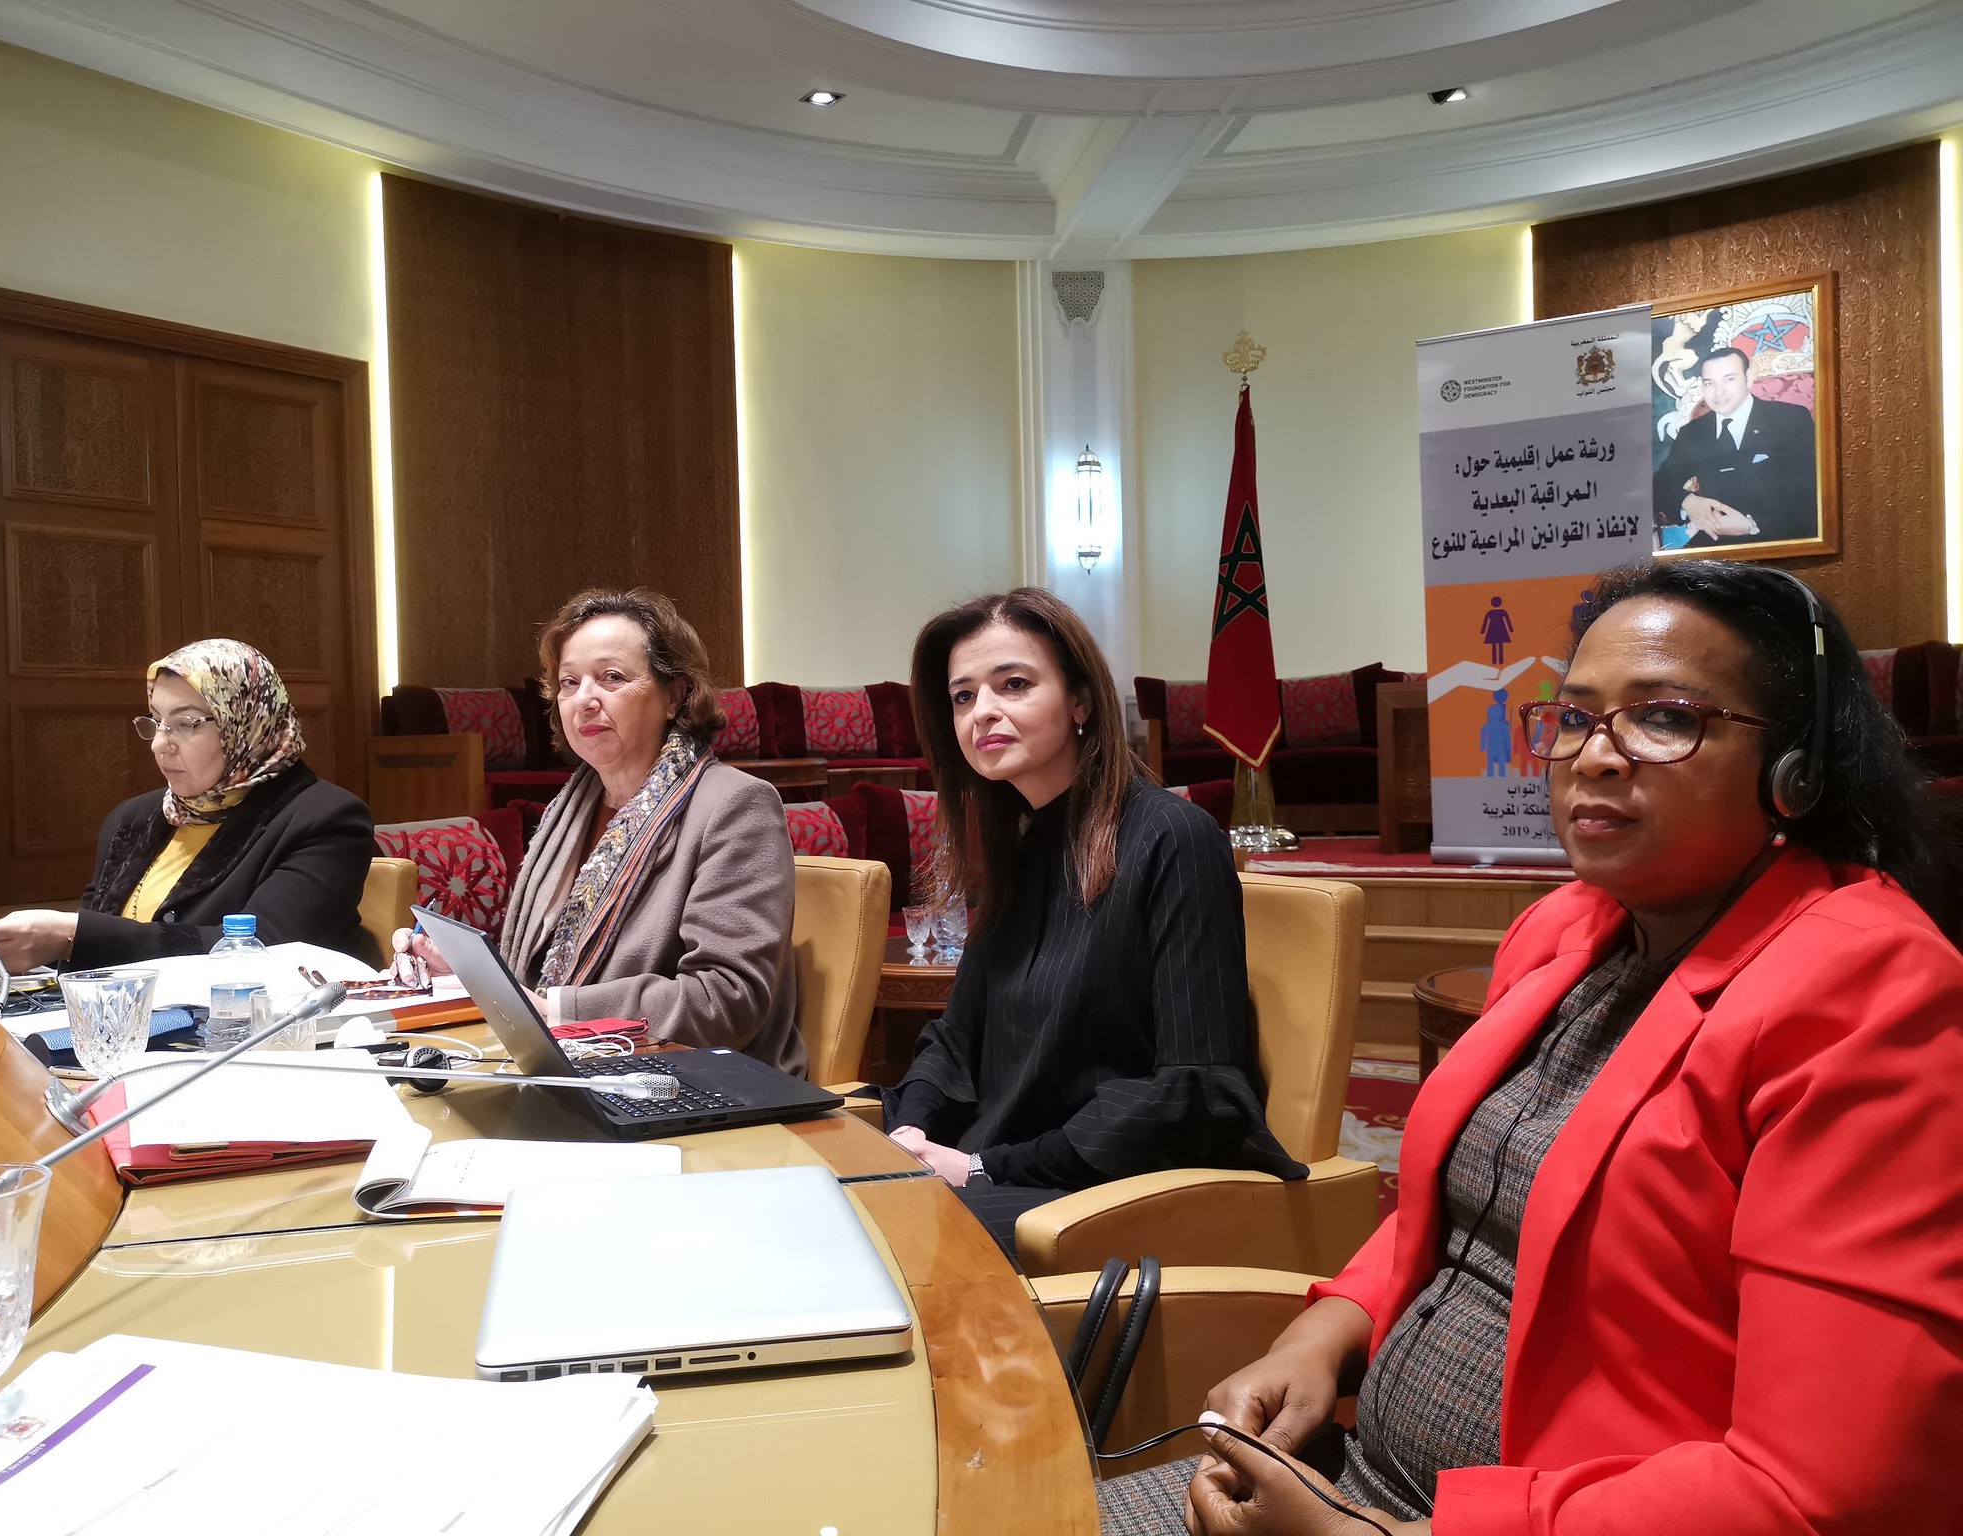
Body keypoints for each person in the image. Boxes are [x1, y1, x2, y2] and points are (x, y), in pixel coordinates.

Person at [1098, 559, 1963, 1535]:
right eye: (1573, 716)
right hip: (1350, 1482)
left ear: (1793, 770)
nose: (1595, 754)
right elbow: (1453, 1201)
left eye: (1663, 718)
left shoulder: (1869, 997)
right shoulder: (1564, 931)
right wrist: (1321, 1334)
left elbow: (1831, 1486)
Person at [882, 588, 1303, 1254]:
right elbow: (955, 1043)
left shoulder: (1174, 838)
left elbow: (1197, 1088)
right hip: (1003, 1170)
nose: (982, 712)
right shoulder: (1022, 847)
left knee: (883, 1249)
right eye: (963, 697)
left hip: (1101, 1189)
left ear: (1080, 701)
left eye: (1013, 685)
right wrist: (910, 1132)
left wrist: (982, 1167)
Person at [394, 587, 803, 1075]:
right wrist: (461, 971)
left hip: (693, 1081)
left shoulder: (736, 805)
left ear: (675, 695)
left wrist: (561, 1012)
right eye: (569, 683)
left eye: (611, 677)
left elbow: (726, 999)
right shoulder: (569, 809)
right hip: (574, 1064)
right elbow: (535, 973)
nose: (584, 699)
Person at [0, 639, 377, 973]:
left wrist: (69, 935)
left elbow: (265, 950)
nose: (161, 745)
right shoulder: (136, 818)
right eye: (156, 722)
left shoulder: (324, 818)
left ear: (247, 724)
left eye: (185, 724)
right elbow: (87, 959)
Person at [1651, 346, 1818, 546]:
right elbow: (1660, 483)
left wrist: (1752, 526)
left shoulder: (1790, 419)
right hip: (1714, 542)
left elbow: (1811, 496)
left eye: (1729, 379)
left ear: (1748, 378)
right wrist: (1687, 502)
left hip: (1781, 538)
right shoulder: (1693, 433)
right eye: (1709, 383)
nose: (1718, 392)